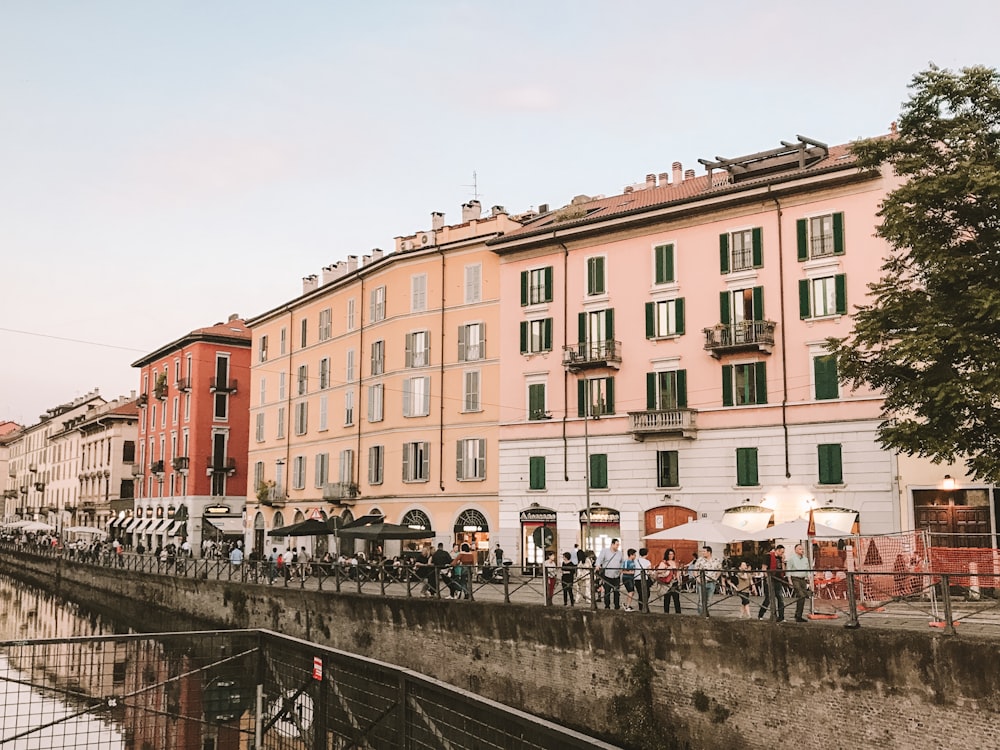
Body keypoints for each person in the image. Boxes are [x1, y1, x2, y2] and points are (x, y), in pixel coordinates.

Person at [758, 544, 786, 622]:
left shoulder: (780, 558)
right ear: (777, 550)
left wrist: (783, 561)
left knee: (780, 598)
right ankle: (761, 614)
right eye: (782, 552)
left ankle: (781, 617)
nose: (782, 554)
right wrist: (767, 578)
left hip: (778, 580)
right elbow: (764, 568)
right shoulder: (768, 556)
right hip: (770, 579)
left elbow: (783, 570)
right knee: (768, 599)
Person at [595, 539, 624, 610]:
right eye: (617, 545)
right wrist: (598, 565)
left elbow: (622, 562)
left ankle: (617, 606)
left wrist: (621, 569)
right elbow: (599, 559)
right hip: (607, 575)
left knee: (617, 591)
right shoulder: (605, 551)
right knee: (607, 591)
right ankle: (607, 606)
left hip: (616, 575)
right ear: (612, 544)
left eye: (618, 545)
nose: (618, 546)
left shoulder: (620, 553)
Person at [693, 546, 722, 615]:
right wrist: (698, 579)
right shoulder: (700, 560)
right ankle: (701, 615)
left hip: (711, 582)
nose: (703, 553)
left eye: (704, 551)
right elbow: (695, 570)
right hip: (702, 582)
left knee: (709, 600)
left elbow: (719, 569)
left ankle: (706, 614)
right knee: (701, 600)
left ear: (709, 552)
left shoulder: (716, 560)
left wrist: (716, 578)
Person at [786, 543, 811, 622]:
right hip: (795, 578)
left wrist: (809, 578)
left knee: (802, 597)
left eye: (802, 549)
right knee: (801, 595)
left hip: (803, 579)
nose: (802, 550)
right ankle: (798, 615)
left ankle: (798, 614)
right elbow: (788, 570)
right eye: (800, 549)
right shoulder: (791, 559)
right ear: (795, 550)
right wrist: (789, 580)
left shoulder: (805, 559)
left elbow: (807, 569)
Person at [655, 548, 681, 614]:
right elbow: (658, 571)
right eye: (669, 554)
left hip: (674, 582)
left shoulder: (675, 562)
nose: (671, 555)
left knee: (676, 598)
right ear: (667, 555)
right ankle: (666, 612)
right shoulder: (664, 562)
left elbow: (677, 572)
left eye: (672, 554)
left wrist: (679, 580)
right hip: (667, 582)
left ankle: (678, 613)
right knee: (667, 598)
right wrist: (667, 569)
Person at [636, 548, 652, 612]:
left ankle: (641, 607)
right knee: (646, 593)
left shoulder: (636, 561)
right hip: (645, 579)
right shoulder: (647, 562)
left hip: (636, 579)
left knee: (640, 593)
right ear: (647, 554)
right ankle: (645, 606)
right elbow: (649, 572)